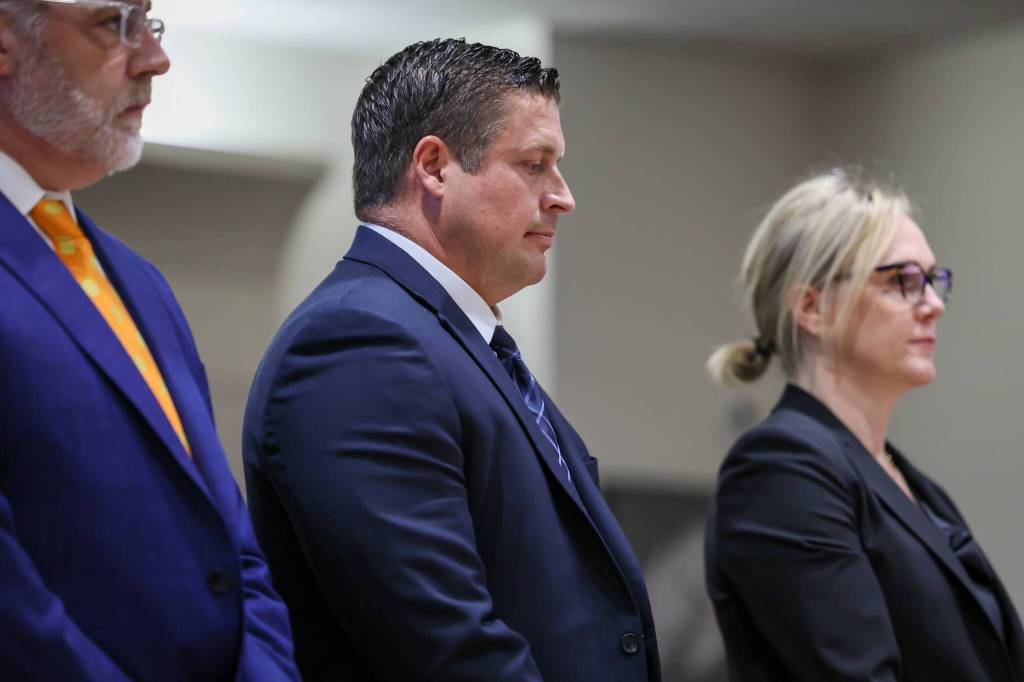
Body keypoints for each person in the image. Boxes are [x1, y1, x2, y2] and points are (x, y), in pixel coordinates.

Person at [243, 37, 661, 682]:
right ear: (434, 167)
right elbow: (444, 645)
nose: (562, 196)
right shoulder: (359, 343)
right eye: (534, 163)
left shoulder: (453, 341)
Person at [0, 2, 298, 679]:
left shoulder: (141, 284)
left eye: (148, 21)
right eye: (113, 24)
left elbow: (230, 543)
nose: (154, 59)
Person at [704, 169, 1024, 681]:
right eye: (904, 281)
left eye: (934, 280)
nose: (935, 305)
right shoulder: (781, 469)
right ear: (812, 308)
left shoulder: (910, 482)